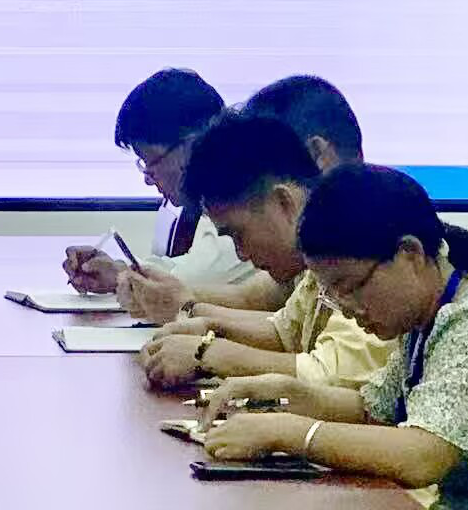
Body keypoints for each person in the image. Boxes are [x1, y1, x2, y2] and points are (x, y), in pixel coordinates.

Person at [200, 165, 468, 510]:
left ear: (410, 254)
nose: (347, 308)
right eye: (333, 294)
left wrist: (291, 433)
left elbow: (422, 456)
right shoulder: (428, 317)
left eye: (351, 286)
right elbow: (372, 409)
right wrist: (283, 393)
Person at [135, 112, 392, 392]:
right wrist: (208, 328)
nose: (241, 254)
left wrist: (206, 354)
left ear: (283, 202)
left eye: (239, 234)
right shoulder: (316, 247)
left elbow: (330, 373)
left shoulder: (358, 237)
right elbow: (285, 332)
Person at [113, 72, 367, 324]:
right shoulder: (312, 254)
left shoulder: (364, 249)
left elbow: (307, 349)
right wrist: (177, 301)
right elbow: (259, 304)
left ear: (316, 155)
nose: (243, 254)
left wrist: (195, 324)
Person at [60, 69, 260, 304]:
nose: (148, 178)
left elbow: (193, 279)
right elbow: (184, 270)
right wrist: (118, 273)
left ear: (193, 145)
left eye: (151, 161)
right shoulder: (207, 200)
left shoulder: (245, 197)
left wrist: (123, 276)